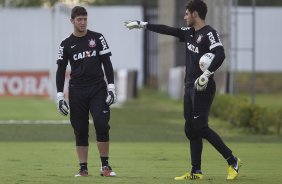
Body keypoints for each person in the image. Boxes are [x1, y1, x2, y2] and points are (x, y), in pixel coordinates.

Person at [124, 0, 241, 181]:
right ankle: (196, 172)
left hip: (203, 85)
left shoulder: (210, 33)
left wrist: (207, 74)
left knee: (201, 127)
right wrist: (143, 25)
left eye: (187, 13)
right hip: (189, 86)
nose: (184, 17)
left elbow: (220, 54)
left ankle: (232, 160)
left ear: (195, 14)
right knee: (191, 129)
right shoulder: (189, 32)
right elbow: (167, 29)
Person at [56, 6, 117, 177]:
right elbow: (60, 71)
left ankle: (105, 166)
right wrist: (60, 96)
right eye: (79, 19)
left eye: (85, 19)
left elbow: (107, 63)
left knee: (102, 124)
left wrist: (111, 87)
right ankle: (83, 168)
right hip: (76, 91)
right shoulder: (65, 44)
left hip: (98, 88)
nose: (83, 22)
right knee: (80, 129)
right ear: (72, 21)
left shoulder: (97, 38)